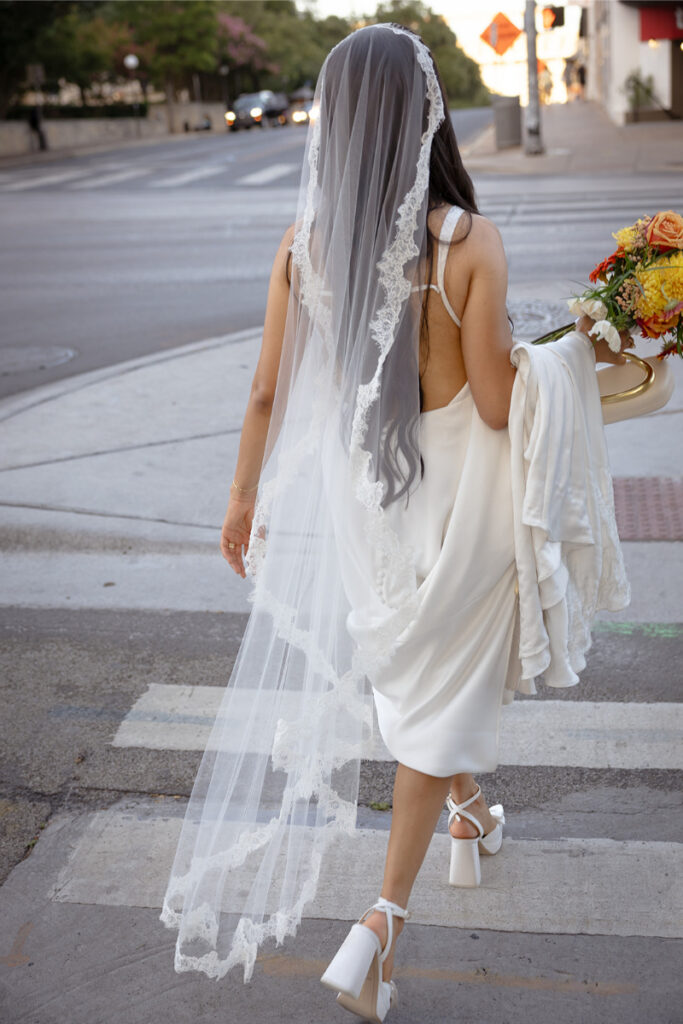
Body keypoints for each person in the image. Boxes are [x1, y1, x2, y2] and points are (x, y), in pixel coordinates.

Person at [160, 24, 630, 1021]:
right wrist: (578, 350)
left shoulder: (306, 246)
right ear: (429, 114)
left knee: (422, 681)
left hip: (369, 506)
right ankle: (379, 926)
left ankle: (469, 818)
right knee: (434, 698)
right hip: (465, 506)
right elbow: (501, 406)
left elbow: (262, 395)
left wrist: (241, 500)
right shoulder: (467, 242)